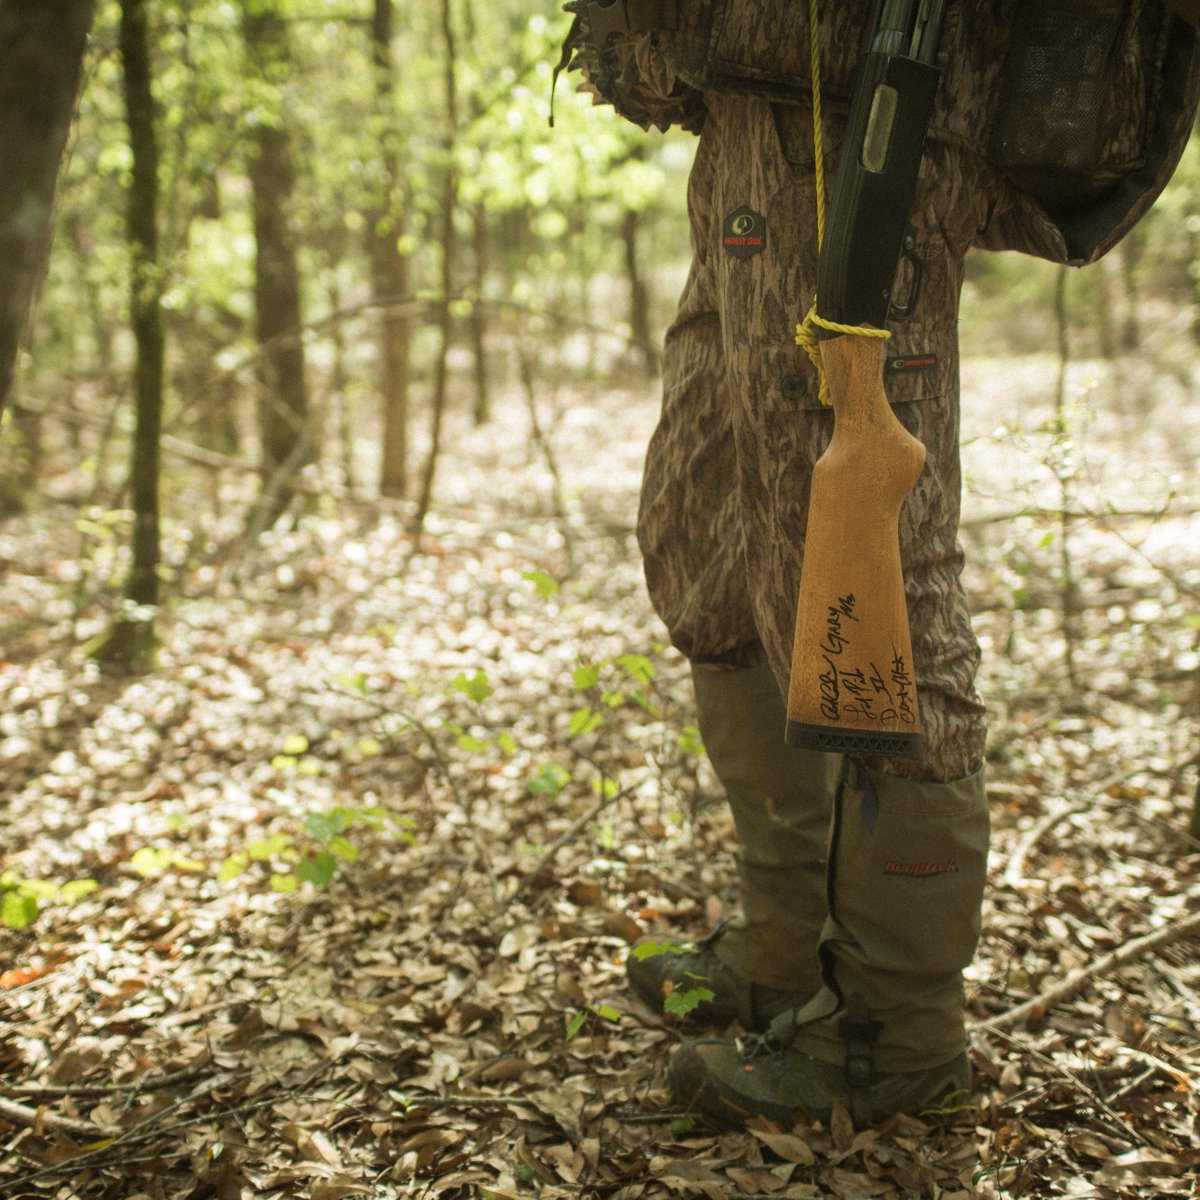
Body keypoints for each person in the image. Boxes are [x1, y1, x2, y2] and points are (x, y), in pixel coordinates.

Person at [560, 0, 1200, 1128]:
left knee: (880, 595)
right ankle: (783, 953)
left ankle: (892, 1032)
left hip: (864, 138)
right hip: (749, 142)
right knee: (708, 547)